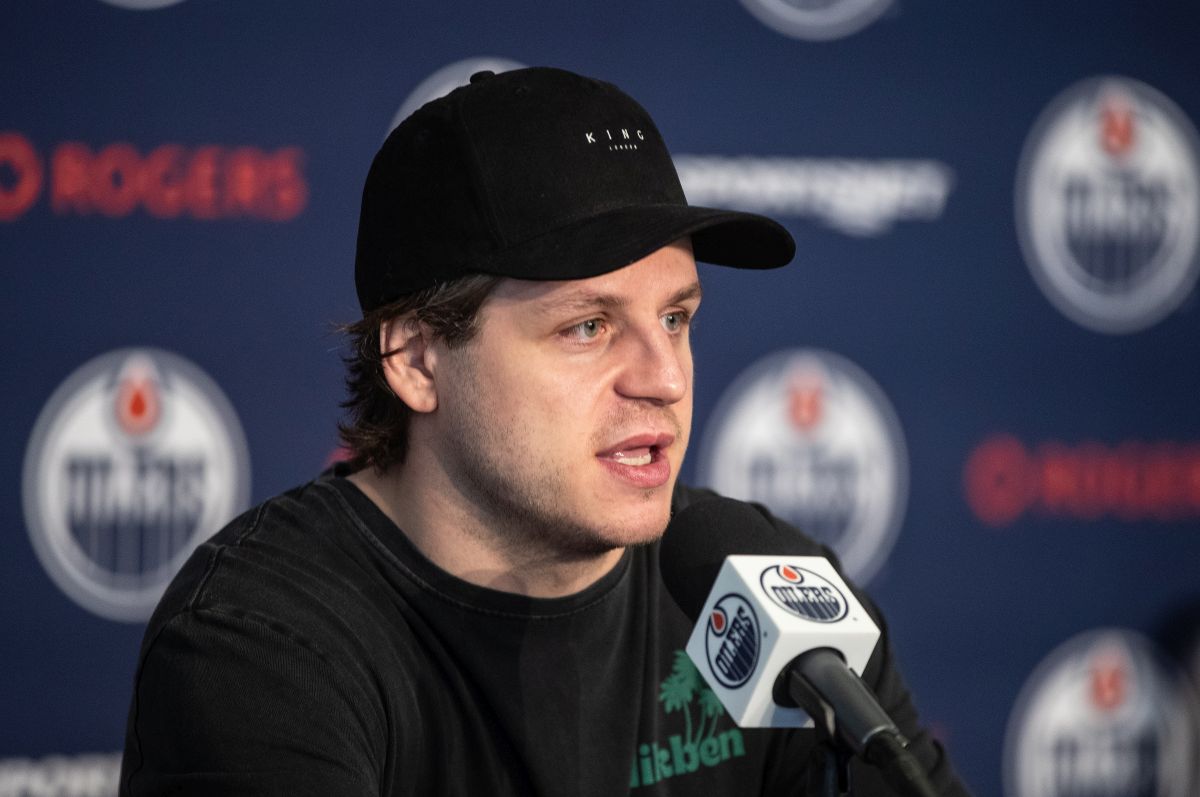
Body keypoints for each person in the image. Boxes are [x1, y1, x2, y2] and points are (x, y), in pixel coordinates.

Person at [119, 66, 970, 796]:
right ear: (416, 360)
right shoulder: (261, 644)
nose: (665, 379)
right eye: (588, 327)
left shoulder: (760, 586)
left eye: (675, 317)